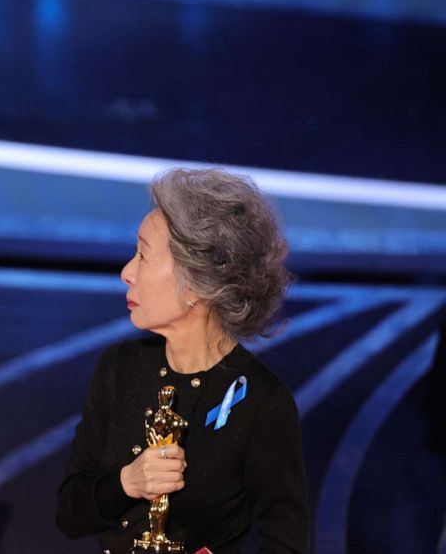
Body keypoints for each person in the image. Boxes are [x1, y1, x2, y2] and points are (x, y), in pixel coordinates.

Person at [56, 168, 310, 553]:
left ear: (196, 282)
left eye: (142, 255)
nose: (126, 272)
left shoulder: (262, 401)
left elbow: (285, 542)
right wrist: (127, 483)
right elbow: (70, 515)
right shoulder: (120, 369)